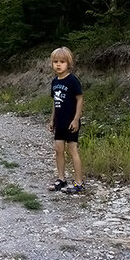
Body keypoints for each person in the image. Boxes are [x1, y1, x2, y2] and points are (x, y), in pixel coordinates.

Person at [48, 46, 85, 195]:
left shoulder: (72, 80)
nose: (58, 64)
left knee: (72, 150)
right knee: (58, 150)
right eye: (55, 61)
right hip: (60, 122)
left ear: (68, 63)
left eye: (62, 61)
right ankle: (61, 179)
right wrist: (52, 120)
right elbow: (55, 101)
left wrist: (76, 119)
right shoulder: (54, 82)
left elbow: (80, 98)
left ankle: (79, 182)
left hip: (71, 122)